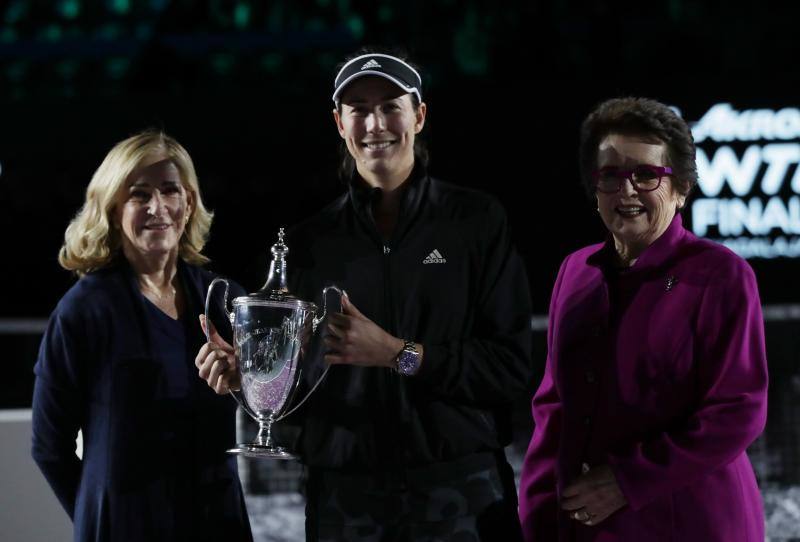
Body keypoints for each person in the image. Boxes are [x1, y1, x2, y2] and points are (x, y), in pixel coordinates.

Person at [196, 49, 533, 541]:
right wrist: (247, 379)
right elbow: (298, 392)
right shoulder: (309, 243)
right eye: (358, 108)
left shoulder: (475, 222)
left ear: (418, 115)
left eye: (391, 105)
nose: (376, 123)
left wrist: (398, 355)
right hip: (345, 501)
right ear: (339, 122)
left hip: (462, 492)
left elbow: (509, 368)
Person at [518, 97, 768, 541]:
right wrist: (536, 514)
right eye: (610, 174)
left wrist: (626, 479)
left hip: (693, 524)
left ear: (682, 187)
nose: (626, 190)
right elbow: (554, 408)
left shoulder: (720, 274)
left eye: (647, 174)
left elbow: (737, 412)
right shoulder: (575, 271)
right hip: (590, 528)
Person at [31, 131, 252, 542]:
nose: (158, 208)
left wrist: (246, 380)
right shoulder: (83, 311)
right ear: (113, 209)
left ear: (188, 203)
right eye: (139, 194)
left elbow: (268, 412)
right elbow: (49, 447)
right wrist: (98, 514)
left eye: (170, 191)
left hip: (216, 522)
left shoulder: (225, 300)